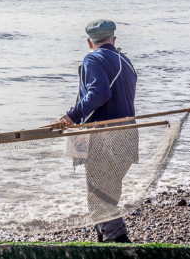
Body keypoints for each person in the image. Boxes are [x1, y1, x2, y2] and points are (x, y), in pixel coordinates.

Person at [58, 19, 138, 243]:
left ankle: (118, 241)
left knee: (100, 195)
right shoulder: (126, 61)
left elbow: (99, 94)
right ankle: (102, 241)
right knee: (104, 193)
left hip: (105, 137)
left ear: (89, 42)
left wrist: (72, 116)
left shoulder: (92, 58)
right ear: (113, 39)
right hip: (128, 135)